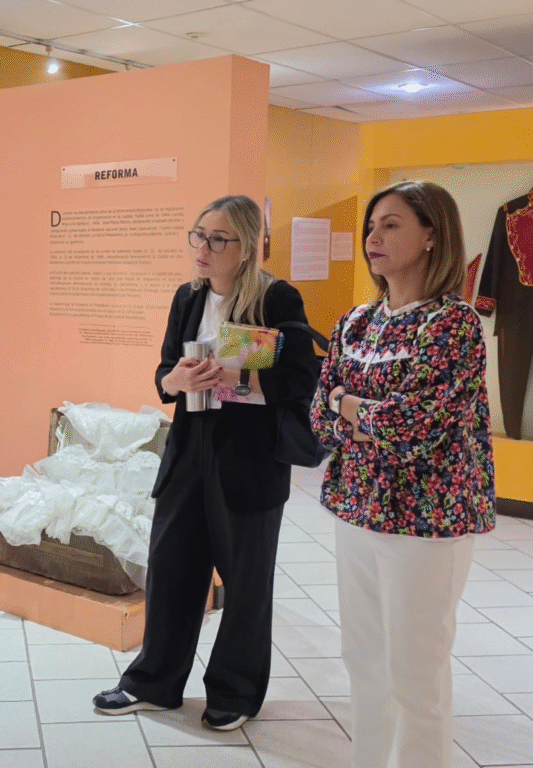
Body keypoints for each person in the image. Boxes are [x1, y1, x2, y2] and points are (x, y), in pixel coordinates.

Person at [93, 195, 321, 730]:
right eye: (199, 234)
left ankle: (234, 692)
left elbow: (302, 378)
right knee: (171, 566)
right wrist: (174, 381)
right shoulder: (187, 296)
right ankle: (153, 683)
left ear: (246, 247)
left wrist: (240, 377)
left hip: (249, 455)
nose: (203, 248)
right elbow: (165, 370)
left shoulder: (276, 297)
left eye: (218, 239)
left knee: (245, 581)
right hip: (188, 447)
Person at [309, 180, 495, 768]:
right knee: (363, 660)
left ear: (431, 235)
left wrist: (348, 406)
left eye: (391, 224)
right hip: (356, 509)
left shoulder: (453, 324)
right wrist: (361, 416)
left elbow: (418, 426)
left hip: (427, 522)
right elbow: (318, 417)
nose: (374, 237)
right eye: (371, 226)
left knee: (415, 671)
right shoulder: (355, 323)